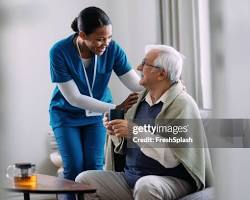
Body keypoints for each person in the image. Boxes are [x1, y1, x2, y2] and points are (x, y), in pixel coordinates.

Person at [75, 45, 214, 200]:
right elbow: (122, 144)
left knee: (146, 185)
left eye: (145, 64)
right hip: (132, 178)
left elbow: (172, 158)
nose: (138, 67)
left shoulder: (183, 104)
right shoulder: (137, 100)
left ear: (162, 74)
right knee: (84, 180)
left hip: (171, 180)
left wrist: (134, 132)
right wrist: (114, 129)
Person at [49, 6, 143, 200]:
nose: (105, 44)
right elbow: (74, 98)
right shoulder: (59, 51)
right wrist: (116, 108)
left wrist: (167, 83)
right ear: (82, 35)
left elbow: (135, 83)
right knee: (73, 167)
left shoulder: (112, 49)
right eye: (100, 39)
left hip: (98, 115)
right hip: (66, 115)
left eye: (108, 38)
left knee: (94, 168)